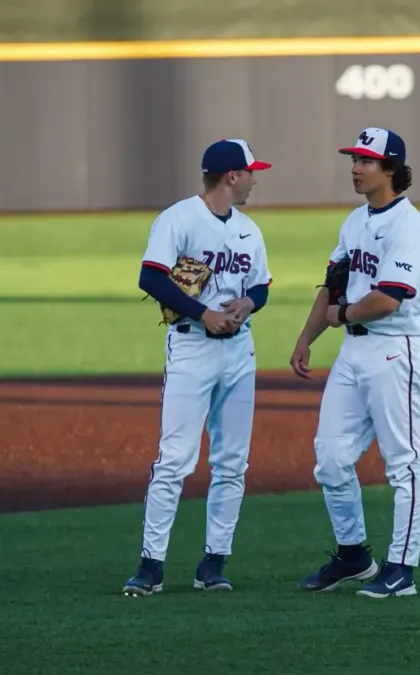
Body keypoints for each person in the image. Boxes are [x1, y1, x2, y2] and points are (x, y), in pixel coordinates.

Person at [123, 139, 274, 596]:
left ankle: (214, 563)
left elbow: (262, 287)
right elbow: (150, 276)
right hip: (192, 349)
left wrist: (248, 303)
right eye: (250, 172)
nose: (254, 179)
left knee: (232, 463)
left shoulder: (249, 230)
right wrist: (202, 312)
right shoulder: (178, 219)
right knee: (174, 460)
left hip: (239, 353)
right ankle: (151, 566)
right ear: (232, 176)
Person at [290, 127, 420, 598]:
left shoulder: (407, 225)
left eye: (366, 160)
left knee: (404, 463)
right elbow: (332, 284)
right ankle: (354, 557)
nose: (355, 167)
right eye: (354, 158)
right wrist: (307, 336)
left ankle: (402, 570)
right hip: (353, 352)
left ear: (390, 168)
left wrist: (342, 314)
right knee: (330, 457)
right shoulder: (354, 222)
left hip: (396, 348)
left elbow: (390, 299)